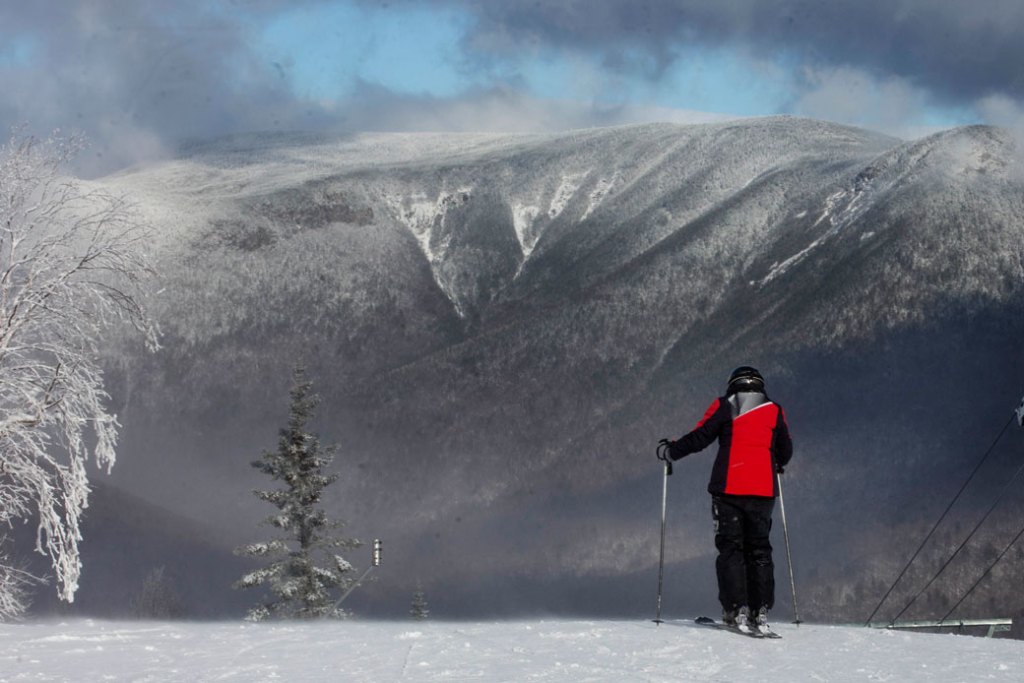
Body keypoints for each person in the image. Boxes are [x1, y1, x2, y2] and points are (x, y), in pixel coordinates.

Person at [660, 366, 792, 636]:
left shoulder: (725, 405)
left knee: (731, 549)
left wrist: (672, 451)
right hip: (763, 491)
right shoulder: (774, 410)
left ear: (733, 385)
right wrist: (775, 462)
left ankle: (736, 608)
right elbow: (786, 450)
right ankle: (761, 609)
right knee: (760, 550)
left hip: (728, 491)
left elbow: (700, 437)